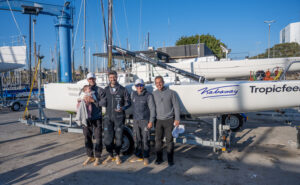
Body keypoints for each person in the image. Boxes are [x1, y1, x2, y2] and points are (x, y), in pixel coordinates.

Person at [102, 70, 131, 165]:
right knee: (107, 140)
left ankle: (117, 155)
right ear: (108, 78)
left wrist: (123, 108)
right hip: (108, 117)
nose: (112, 79)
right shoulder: (105, 89)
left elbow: (128, 102)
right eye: (110, 77)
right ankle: (111, 155)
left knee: (119, 139)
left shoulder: (123, 89)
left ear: (117, 77)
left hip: (119, 117)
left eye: (114, 77)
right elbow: (102, 102)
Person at [152, 76, 180, 166]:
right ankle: (159, 159)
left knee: (169, 141)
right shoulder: (154, 94)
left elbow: (176, 106)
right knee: (158, 141)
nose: (158, 84)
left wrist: (177, 119)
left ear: (163, 82)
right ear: (155, 84)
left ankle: (170, 160)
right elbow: (152, 108)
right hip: (158, 121)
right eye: (156, 83)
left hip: (169, 120)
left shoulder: (171, 93)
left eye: (160, 82)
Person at [80, 72, 105, 166]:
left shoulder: (100, 90)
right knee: (87, 137)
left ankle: (98, 157)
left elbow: (103, 103)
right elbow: (79, 99)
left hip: (97, 117)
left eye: (93, 79)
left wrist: (93, 101)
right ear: (87, 80)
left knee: (98, 138)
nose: (91, 80)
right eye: (90, 79)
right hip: (86, 118)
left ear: (95, 79)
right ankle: (90, 156)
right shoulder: (83, 89)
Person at [129, 79, 155, 166]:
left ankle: (146, 157)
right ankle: (138, 155)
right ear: (135, 86)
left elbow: (152, 109)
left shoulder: (148, 95)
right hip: (136, 121)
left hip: (145, 121)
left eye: (141, 85)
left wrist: (151, 121)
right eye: (137, 85)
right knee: (137, 139)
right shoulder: (133, 94)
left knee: (145, 140)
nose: (139, 87)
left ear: (143, 86)